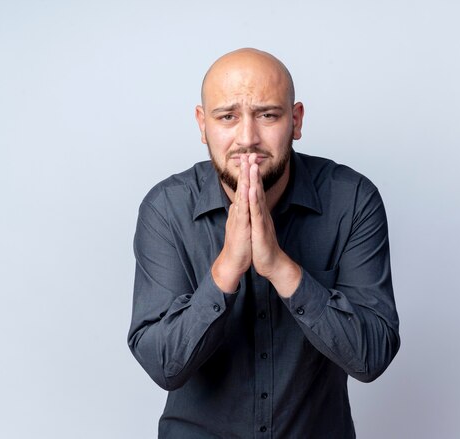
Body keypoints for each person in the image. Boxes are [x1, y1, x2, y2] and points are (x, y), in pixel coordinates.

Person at [127, 48, 400, 438]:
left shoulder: (352, 200)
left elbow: (371, 357)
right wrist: (225, 270)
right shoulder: (166, 210)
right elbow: (165, 366)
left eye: (267, 115)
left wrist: (281, 268)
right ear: (203, 125)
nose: (247, 138)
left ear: (296, 120)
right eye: (227, 117)